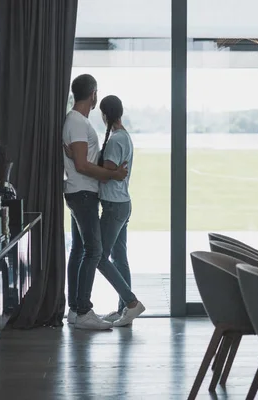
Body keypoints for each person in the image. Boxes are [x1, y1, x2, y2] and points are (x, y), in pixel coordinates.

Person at [63, 74, 128, 330]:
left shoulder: (75, 122)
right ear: (93, 94)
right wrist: (113, 174)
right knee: (94, 251)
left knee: (79, 250)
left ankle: (74, 310)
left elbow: (79, 160)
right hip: (83, 194)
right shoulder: (78, 123)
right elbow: (81, 165)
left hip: (80, 192)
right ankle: (83, 311)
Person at [94, 95, 145, 327]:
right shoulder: (125, 136)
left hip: (114, 206)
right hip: (122, 204)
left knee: (100, 258)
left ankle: (131, 303)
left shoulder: (116, 140)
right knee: (119, 258)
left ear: (105, 115)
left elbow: (108, 171)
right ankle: (124, 310)